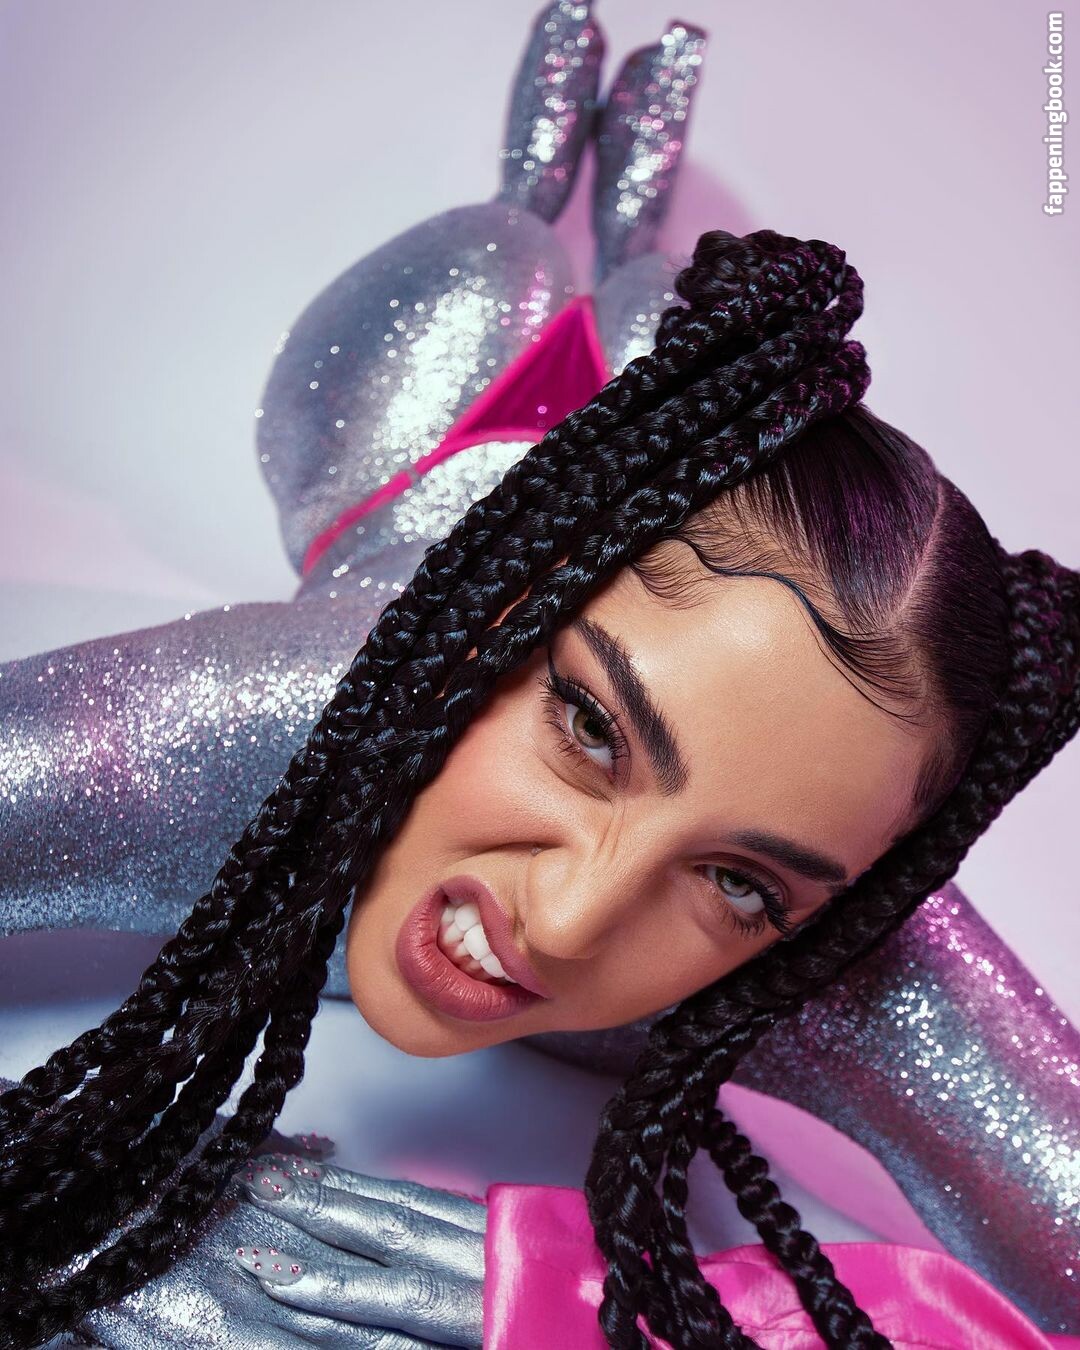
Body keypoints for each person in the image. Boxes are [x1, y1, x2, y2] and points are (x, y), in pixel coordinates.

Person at [1, 4, 1077, 1347]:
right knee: (486, 272)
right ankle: (557, 197)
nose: (567, 925)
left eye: (739, 883)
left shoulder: (845, 945)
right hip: (440, 464)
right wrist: (69, 1212)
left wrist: (665, 1315)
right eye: (589, 727)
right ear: (497, 618)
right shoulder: (256, 723)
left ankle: (638, 252)